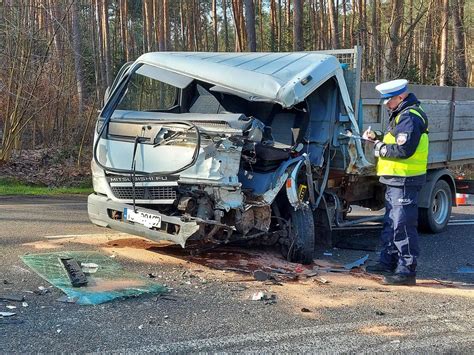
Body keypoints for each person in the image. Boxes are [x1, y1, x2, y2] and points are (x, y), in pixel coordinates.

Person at [364, 79, 429, 286]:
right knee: (391, 223)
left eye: (388, 100)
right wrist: (378, 137)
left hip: (405, 179)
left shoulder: (410, 117)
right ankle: (388, 262)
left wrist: (380, 148)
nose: (385, 104)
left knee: (403, 225)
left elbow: (404, 149)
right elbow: (396, 139)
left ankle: (406, 272)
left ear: (400, 97)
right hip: (396, 180)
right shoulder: (401, 115)